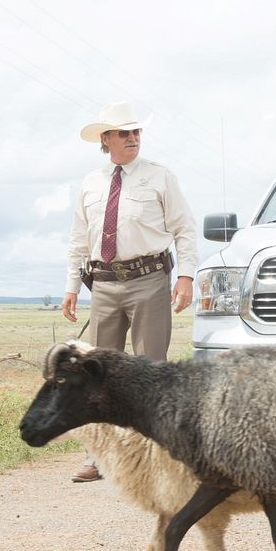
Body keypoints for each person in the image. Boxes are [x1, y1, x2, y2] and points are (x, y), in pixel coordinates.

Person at [61, 102, 198, 482]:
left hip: (149, 280)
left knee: (149, 369)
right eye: (123, 133)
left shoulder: (160, 177)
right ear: (106, 139)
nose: (132, 138)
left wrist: (186, 276)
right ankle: (98, 456)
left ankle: (155, 456)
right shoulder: (91, 182)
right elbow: (78, 238)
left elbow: (184, 229)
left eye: (136, 131)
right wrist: (71, 285)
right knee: (99, 372)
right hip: (103, 284)